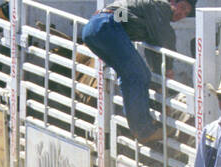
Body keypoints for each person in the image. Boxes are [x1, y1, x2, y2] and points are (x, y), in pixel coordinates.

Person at [81, 1, 196, 144]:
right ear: (172, 1)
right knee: (137, 75)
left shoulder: (149, 12)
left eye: (186, 13)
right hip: (107, 25)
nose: (182, 15)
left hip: (94, 28)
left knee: (130, 73)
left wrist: (160, 78)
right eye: (182, 8)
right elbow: (165, 36)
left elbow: (154, 45)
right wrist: (168, 68)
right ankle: (143, 129)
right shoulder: (161, 7)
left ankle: (141, 125)